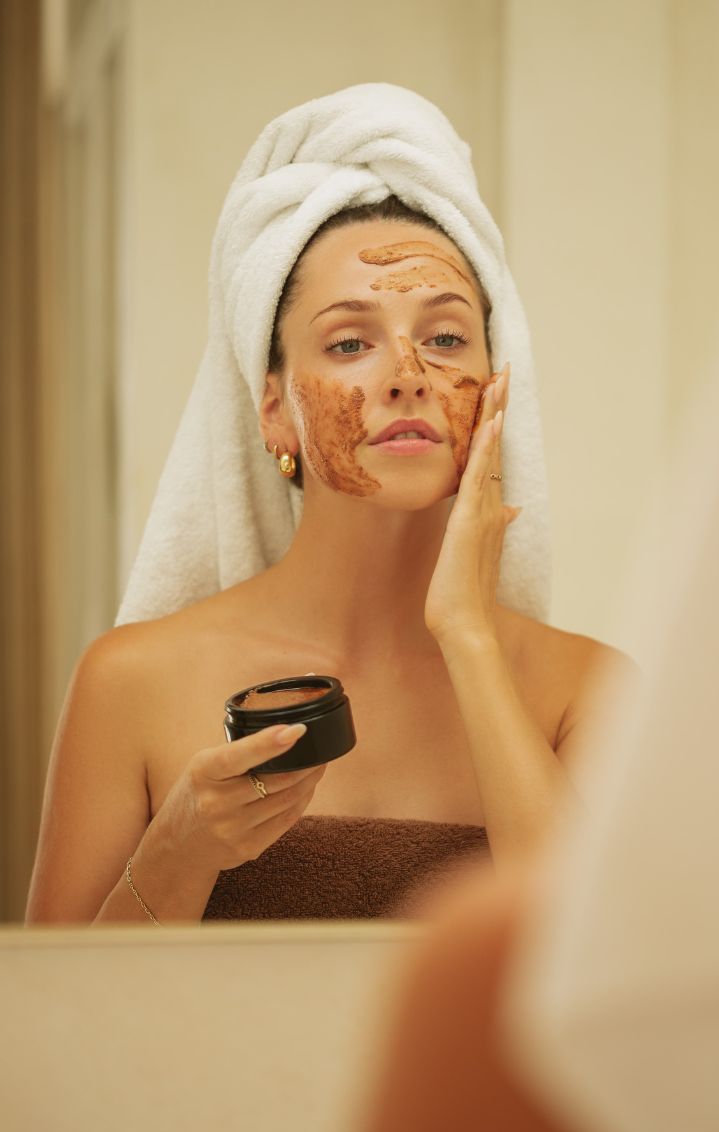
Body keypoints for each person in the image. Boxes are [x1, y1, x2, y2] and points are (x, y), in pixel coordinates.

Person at [25, 84, 637, 925]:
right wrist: (180, 852)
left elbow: (598, 976)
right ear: (273, 406)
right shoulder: (131, 683)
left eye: (447, 336)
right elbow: (51, 1029)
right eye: (350, 341)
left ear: (499, 386)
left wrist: (468, 635)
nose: (407, 372)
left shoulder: (585, 692)